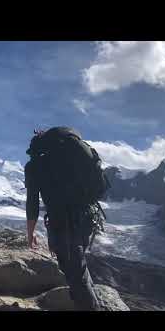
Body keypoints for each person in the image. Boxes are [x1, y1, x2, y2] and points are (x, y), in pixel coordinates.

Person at [24, 127, 106, 310]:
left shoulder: (35, 165)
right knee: (79, 268)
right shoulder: (71, 156)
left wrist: (30, 233)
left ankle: (90, 306)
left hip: (62, 224)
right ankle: (91, 302)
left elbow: (32, 203)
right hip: (88, 218)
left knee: (75, 275)